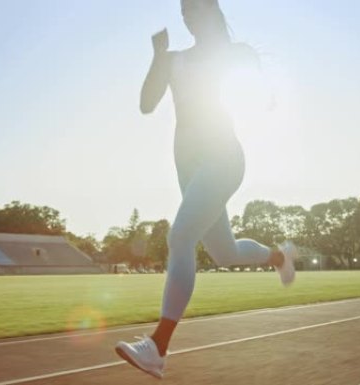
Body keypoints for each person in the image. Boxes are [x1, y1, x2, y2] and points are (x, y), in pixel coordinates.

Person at [115, 0, 297, 378]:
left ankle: (157, 346)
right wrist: (158, 55)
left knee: (180, 237)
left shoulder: (233, 54)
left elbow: (261, 88)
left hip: (223, 157)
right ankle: (279, 257)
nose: (187, 13)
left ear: (212, 10)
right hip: (187, 167)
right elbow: (147, 105)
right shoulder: (173, 59)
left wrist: (266, 93)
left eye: (195, 6)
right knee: (224, 253)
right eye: (184, 9)